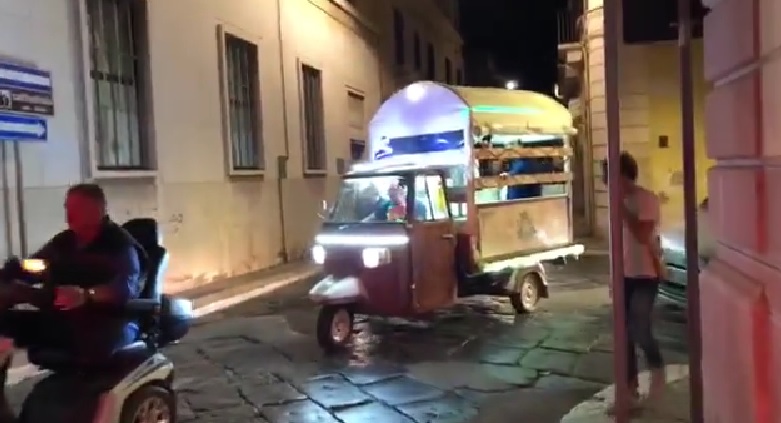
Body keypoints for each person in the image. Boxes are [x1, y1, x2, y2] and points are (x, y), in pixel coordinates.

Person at [0, 183, 145, 419]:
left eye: (77, 208)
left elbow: (126, 287)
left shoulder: (119, 245)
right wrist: (14, 272)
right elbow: (37, 265)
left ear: (98, 209)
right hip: (60, 315)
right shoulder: (64, 242)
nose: (69, 214)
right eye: (68, 207)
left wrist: (88, 295)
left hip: (104, 324)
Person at [602, 152, 665, 413]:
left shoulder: (645, 199)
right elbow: (617, 245)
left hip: (645, 276)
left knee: (640, 329)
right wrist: (612, 277)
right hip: (624, 275)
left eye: (612, 177)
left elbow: (641, 234)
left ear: (626, 176)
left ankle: (658, 376)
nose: (608, 183)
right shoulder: (618, 202)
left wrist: (621, 209)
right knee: (623, 335)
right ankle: (629, 391)